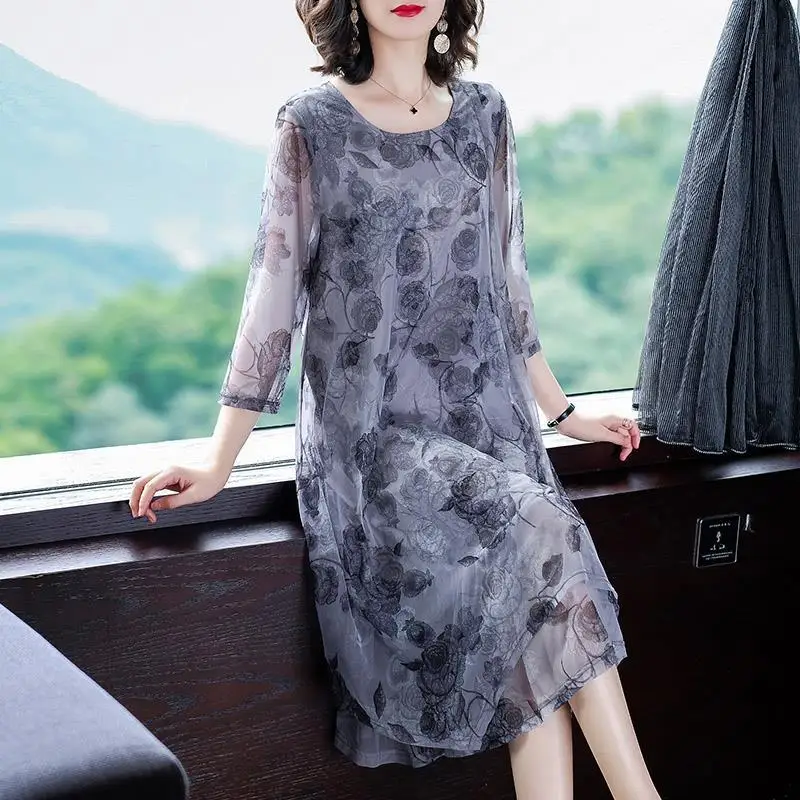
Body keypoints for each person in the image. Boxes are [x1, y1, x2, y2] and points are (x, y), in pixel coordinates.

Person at [129, 2, 662, 797]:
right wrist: (218, 461)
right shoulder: (313, 126)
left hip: (487, 422)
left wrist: (561, 412)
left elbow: (506, 282)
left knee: (535, 636)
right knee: (544, 535)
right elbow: (274, 297)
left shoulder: (485, 115)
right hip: (376, 443)